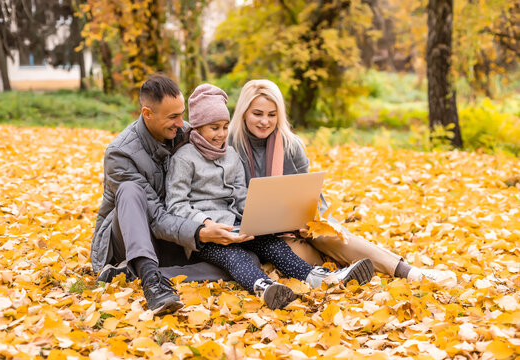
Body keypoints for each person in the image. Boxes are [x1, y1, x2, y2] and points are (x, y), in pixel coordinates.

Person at [228, 79, 457, 287]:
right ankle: (347, 271)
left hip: (300, 224)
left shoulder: (291, 145)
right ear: (244, 113)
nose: (265, 121)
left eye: (272, 114)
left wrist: (311, 220)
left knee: (330, 235)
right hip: (262, 237)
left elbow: (311, 195)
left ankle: (411, 272)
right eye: (258, 114)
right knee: (297, 256)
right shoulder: (230, 146)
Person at [165, 84, 374, 309]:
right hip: (207, 235)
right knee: (236, 257)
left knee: (274, 245)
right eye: (214, 128)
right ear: (197, 127)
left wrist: (262, 218)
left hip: (236, 226)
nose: (221, 134)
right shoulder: (184, 159)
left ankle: (320, 278)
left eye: (225, 127)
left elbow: (240, 195)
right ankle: (263, 288)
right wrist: (205, 225)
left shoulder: (230, 155)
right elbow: (176, 204)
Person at [91, 74, 255, 316]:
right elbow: (155, 217)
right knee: (129, 190)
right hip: (128, 240)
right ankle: (152, 282)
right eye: (173, 117)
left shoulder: (186, 133)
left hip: (174, 236)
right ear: (147, 114)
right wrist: (200, 232)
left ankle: (144, 274)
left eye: (182, 114)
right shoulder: (120, 154)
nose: (182, 123)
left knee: (246, 260)